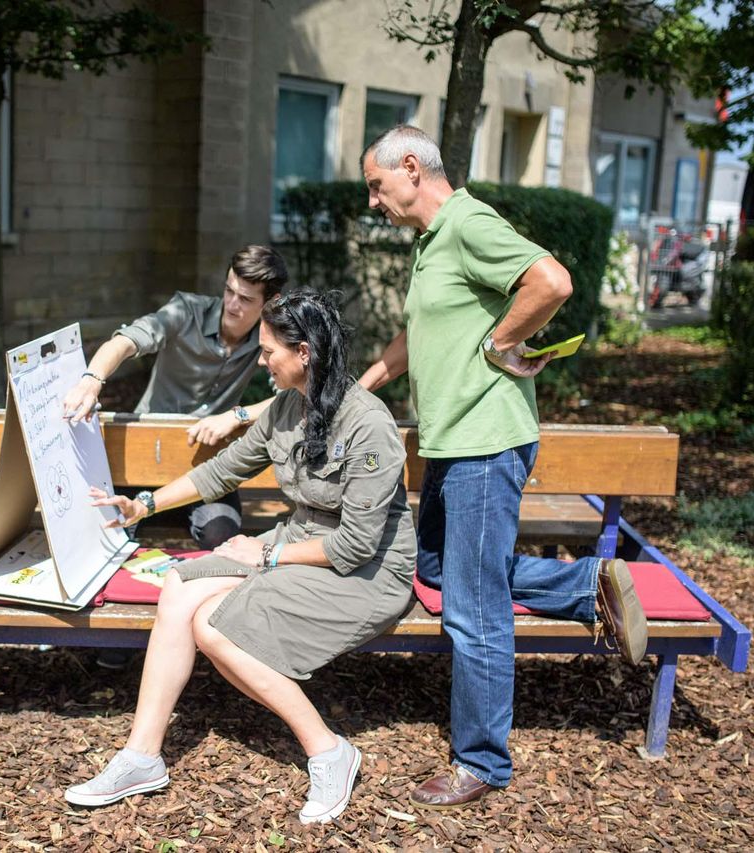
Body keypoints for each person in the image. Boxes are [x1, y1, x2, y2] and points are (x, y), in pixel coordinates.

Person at [357, 125, 649, 809]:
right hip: (452, 442)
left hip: (485, 445)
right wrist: (364, 382)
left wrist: (501, 338)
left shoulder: (466, 223)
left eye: (376, 186)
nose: (374, 201)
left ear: (410, 168)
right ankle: (587, 583)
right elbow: (419, 332)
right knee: (434, 565)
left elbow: (551, 280)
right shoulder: (432, 243)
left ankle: (481, 761)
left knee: (474, 606)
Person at [64, 289, 416, 824]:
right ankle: (142, 757)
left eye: (269, 350)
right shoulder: (285, 407)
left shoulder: (368, 424)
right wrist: (144, 504)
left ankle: (329, 751)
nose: (260, 359)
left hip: (368, 572)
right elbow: (221, 470)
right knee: (182, 585)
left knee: (215, 626)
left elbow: (356, 545)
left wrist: (268, 557)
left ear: (305, 354)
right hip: (297, 544)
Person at [62, 245, 289, 551]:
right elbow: (127, 341)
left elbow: (296, 395)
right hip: (147, 452)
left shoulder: (269, 337)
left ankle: (176, 511)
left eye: (246, 299)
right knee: (109, 532)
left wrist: (237, 415)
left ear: (270, 302)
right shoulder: (186, 310)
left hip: (206, 463)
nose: (233, 304)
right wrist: (92, 380)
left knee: (220, 535)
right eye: (229, 291)